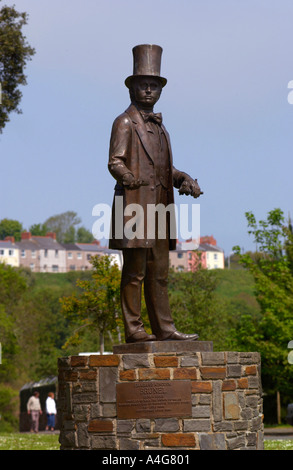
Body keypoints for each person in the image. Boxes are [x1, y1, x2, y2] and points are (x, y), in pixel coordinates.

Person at [108, 44, 203, 343]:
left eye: (154, 86)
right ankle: (134, 329)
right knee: (134, 272)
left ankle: (165, 329)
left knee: (159, 272)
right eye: (143, 85)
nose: (149, 90)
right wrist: (127, 176)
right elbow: (115, 161)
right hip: (134, 206)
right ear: (132, 88)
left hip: (161, 210)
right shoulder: (124, 122)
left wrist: (183, 178)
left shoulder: (163, 130)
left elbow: (166, 170)